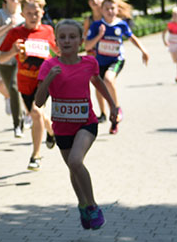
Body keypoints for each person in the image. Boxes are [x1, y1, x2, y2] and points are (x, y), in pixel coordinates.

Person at [34, 19, 117, 230]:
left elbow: (98, 83)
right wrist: (49, 79)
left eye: (72, 37)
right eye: (62, 37)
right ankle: (82, 205)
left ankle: (93, 206)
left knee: (75, 161)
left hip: (86, 124)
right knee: (73, 167)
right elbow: (39, 102)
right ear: (56, 41)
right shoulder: (49, 66)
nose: (67, 41)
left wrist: (112, 106)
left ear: (80, 40)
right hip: (62, 128)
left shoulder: (89, 63)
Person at [0, 0, 57, 170]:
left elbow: (59, 51)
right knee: (37, 114)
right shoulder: (15, 33)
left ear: (42, 12)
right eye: (29, 13)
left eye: (36, 13)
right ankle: (52, 131)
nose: (33, 16)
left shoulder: (48, 30)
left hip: (44, 81)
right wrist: (13, 51)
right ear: (22, 13)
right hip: (24, 82)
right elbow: (1, 58)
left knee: (36, 112)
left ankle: (35, 156)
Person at [83, 0, 149, 134]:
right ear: (101, 10)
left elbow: (132, 38)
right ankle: (114, 122)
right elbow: (87, 46)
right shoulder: (96, 26)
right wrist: (99, 36)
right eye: (106, 9)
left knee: (108, 79)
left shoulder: (121, 24)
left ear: (117, 9)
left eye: (112, 8)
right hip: (100, 62)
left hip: (116, 60)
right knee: (100, 87)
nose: (110, 11)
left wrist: (143, 50)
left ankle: (116, 108)